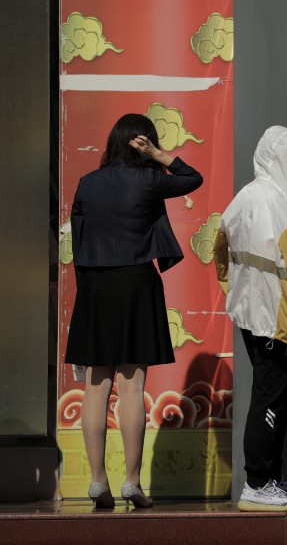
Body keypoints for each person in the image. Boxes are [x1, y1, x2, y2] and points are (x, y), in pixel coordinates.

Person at [65, 113, 203, 509]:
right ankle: (131, 482)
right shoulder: (149, 179)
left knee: (95, 386)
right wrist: (159, 154)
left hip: (95, 287)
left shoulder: (87, 184)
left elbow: (79, 238)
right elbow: (193, 178)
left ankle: (95, 481)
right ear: (141, 142)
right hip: (136, 285)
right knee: (131, 387)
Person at [214, 126, 287, 512]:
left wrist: (231, 285)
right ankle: (259, 482)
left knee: (275, 396)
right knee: (272, 396)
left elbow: (219, 243)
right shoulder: (277, 202)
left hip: (251, 309)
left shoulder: (245, 195)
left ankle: (271, 479)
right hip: (277, 314)